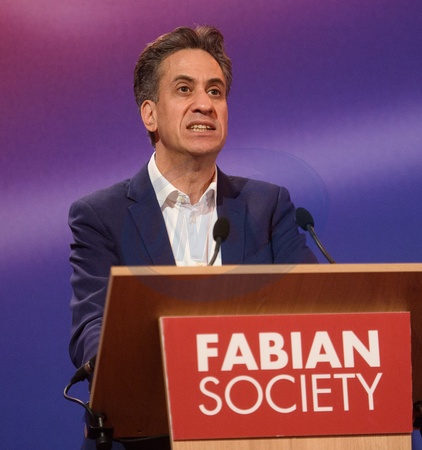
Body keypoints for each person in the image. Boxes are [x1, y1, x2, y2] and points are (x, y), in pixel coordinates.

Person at [68, 25, 317, 450]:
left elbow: (317, 308)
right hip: (145, 435)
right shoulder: (101, 215)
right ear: (149, 114)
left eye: (215, 91)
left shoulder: (268, 205)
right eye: (185, 89)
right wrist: (121, 366)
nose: (205, 104)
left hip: (257, 429)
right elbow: (93, 325)